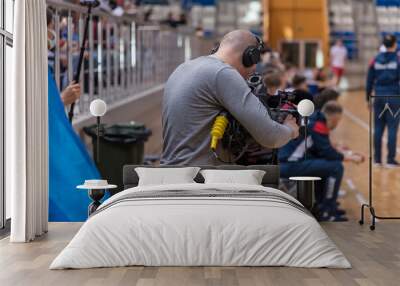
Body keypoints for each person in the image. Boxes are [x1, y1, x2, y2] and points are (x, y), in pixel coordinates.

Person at [161, 30, 299, 165]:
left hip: (172, 173)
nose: (254, 70)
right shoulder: (222, 73)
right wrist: (290, 130)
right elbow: (271, 136)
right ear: (250, 56)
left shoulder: (184, 68)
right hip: (201, 179)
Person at [279, 101, 363, 221]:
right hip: (290, 164)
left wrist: (346, 153)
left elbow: (322, 149)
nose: (337, 124)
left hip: (288, 162)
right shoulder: (318, 125)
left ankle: (323, 207)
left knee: (324, 166)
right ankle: (327, 211)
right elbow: (327, 152)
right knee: (336, 167)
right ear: (334, 118)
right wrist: (350, 157)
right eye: (338, 121)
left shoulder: (314, 119)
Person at [366, 34, 400, 168]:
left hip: (378, 97)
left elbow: (369, 81)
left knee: (378, 128)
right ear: (394, 44)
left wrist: (367, 98)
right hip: (393, 97)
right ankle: (390, 160)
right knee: (392, 128)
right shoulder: (398, 59)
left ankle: (377, 160)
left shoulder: (375, 59)